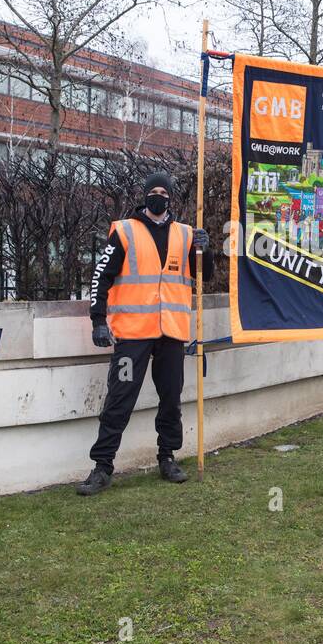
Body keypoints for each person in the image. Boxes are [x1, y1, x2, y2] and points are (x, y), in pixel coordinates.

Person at [79, 172, 213, 495]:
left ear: (171, 197)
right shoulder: (125, 232)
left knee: (171, 399)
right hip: (133, 334)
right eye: (152, 191)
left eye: (163, 192)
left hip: (172, 333)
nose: (158, 196)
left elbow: (204, 276)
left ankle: (167, 457)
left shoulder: (185, 234)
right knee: (120, 398)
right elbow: (102, 276)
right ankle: (102, 467)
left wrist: (205, 250)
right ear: (144, 196)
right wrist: (98, 319)